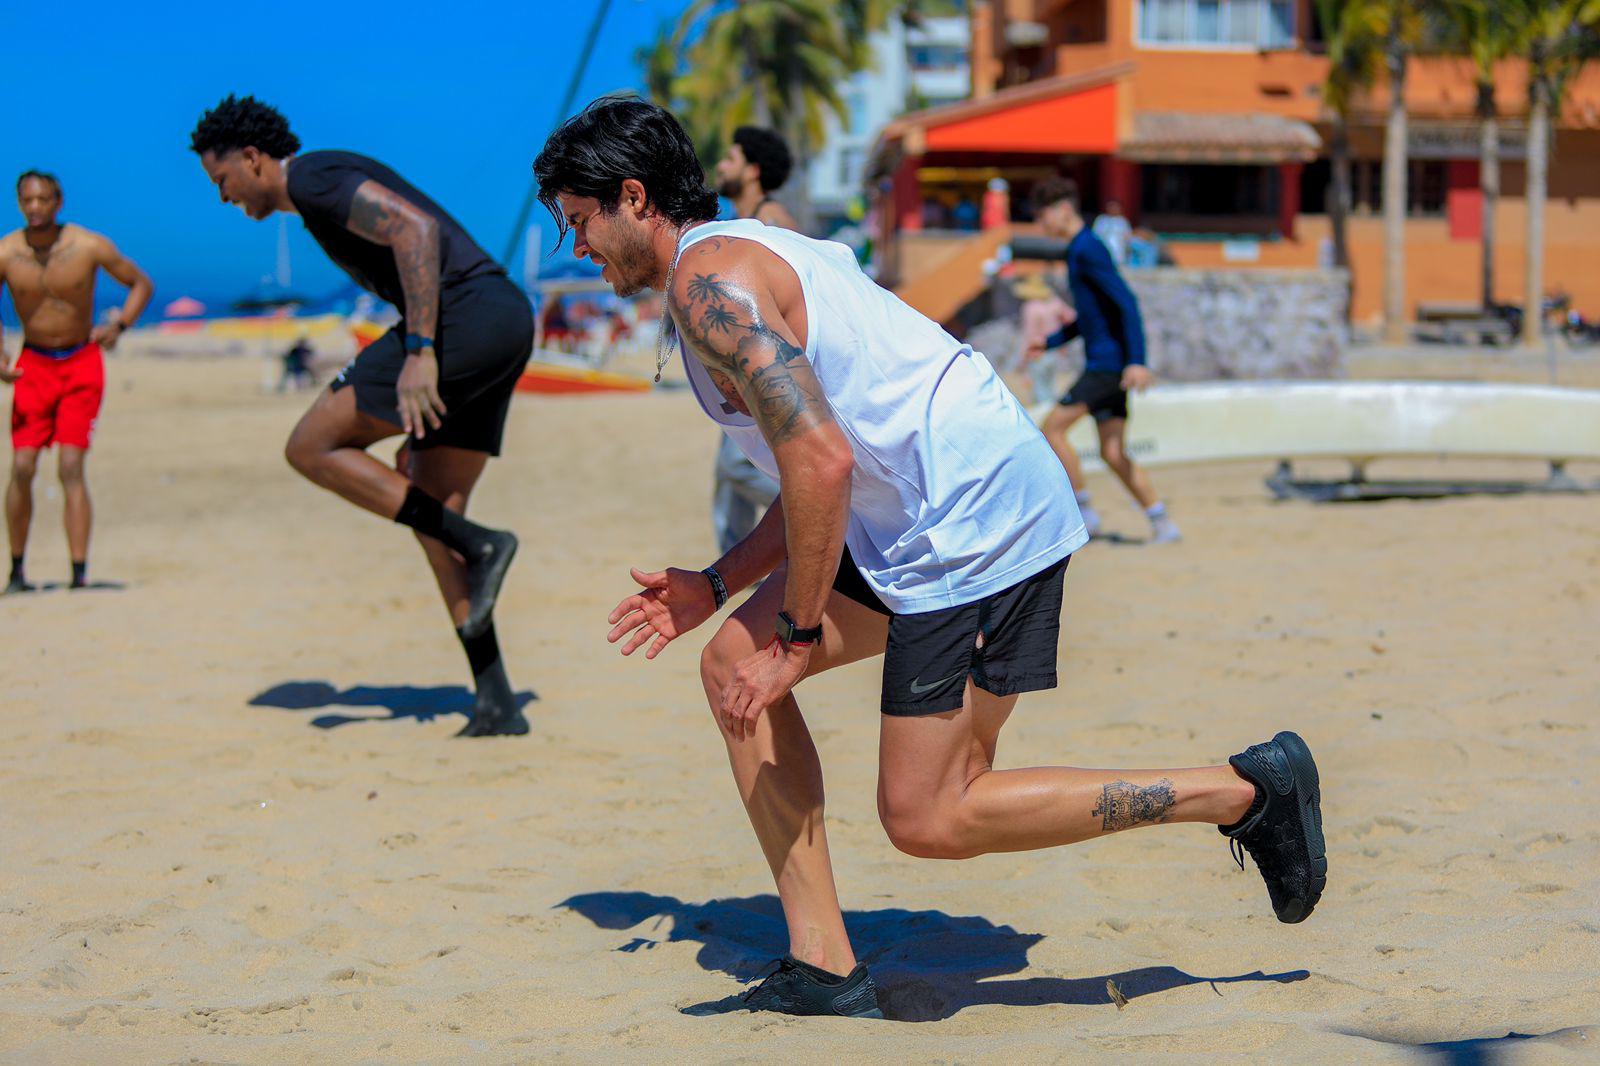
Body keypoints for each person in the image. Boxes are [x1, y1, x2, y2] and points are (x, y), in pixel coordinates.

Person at [535, 97, 1327, 1019]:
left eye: (578, 221)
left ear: (632, 197)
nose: (576, 247)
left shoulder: (710, 287)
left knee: (931, 817)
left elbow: (822, 461)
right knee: (730, 663)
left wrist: (795, 634)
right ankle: (824, 964)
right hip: (913, 517)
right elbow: (814, 472)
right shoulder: (736, 255)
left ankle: (1241, 791)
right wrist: (715, 586)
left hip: (971, 518)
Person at [190, 95, 532, 737]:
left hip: (465, 320)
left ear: (253, 158)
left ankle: (482, 543)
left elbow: (415, 231)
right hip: (504, 318)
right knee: (431, 508)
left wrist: (421, 352)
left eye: (222, 180)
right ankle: (496, 700)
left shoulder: (313, 178)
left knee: (311, 446)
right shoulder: (319, 191)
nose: (224, 196)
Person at [1, 171, 152, 593]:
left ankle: (79, 573)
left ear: (58, 201)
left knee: (70, 466)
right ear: (19, 203)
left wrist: (120, 325)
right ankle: (16, 571)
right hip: (33, 362)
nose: (35, 208)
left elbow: (140, 283)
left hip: (81, 361)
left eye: (43, 200)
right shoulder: (7, 252)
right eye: (28, 201)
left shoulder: (87, 246)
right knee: (23, 466)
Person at [1030, 179, 1181, 545]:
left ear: (1063, 209)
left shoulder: (1088, 249)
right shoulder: (1079, 250)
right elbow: (1091, 317)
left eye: (1043, 217)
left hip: (1107, 366)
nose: (1041, 226)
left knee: (1052, 429)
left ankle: (1085, 513)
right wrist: (1050, 342)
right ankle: (1162, 522)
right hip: (1108, 363)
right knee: (1112, 452)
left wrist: (1137, 361)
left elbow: (1125, 303)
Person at [709, 127, 792, 552]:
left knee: (735, 468)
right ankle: (737, 575)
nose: (722, 165)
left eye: (731, 157)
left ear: (753, 170)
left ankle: (820, 511)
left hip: (770, 369)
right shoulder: (742, 222)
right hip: (744, 369)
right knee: (727, 477)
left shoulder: (773, 222)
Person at [1091, 198, 1132, 266]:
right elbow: (1095, 235)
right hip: (1103, 250)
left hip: (1118, 252)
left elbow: (1128, 237)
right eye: (1111, 207)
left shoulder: (1123, 221)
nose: (1113, 209)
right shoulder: (1101, 219)